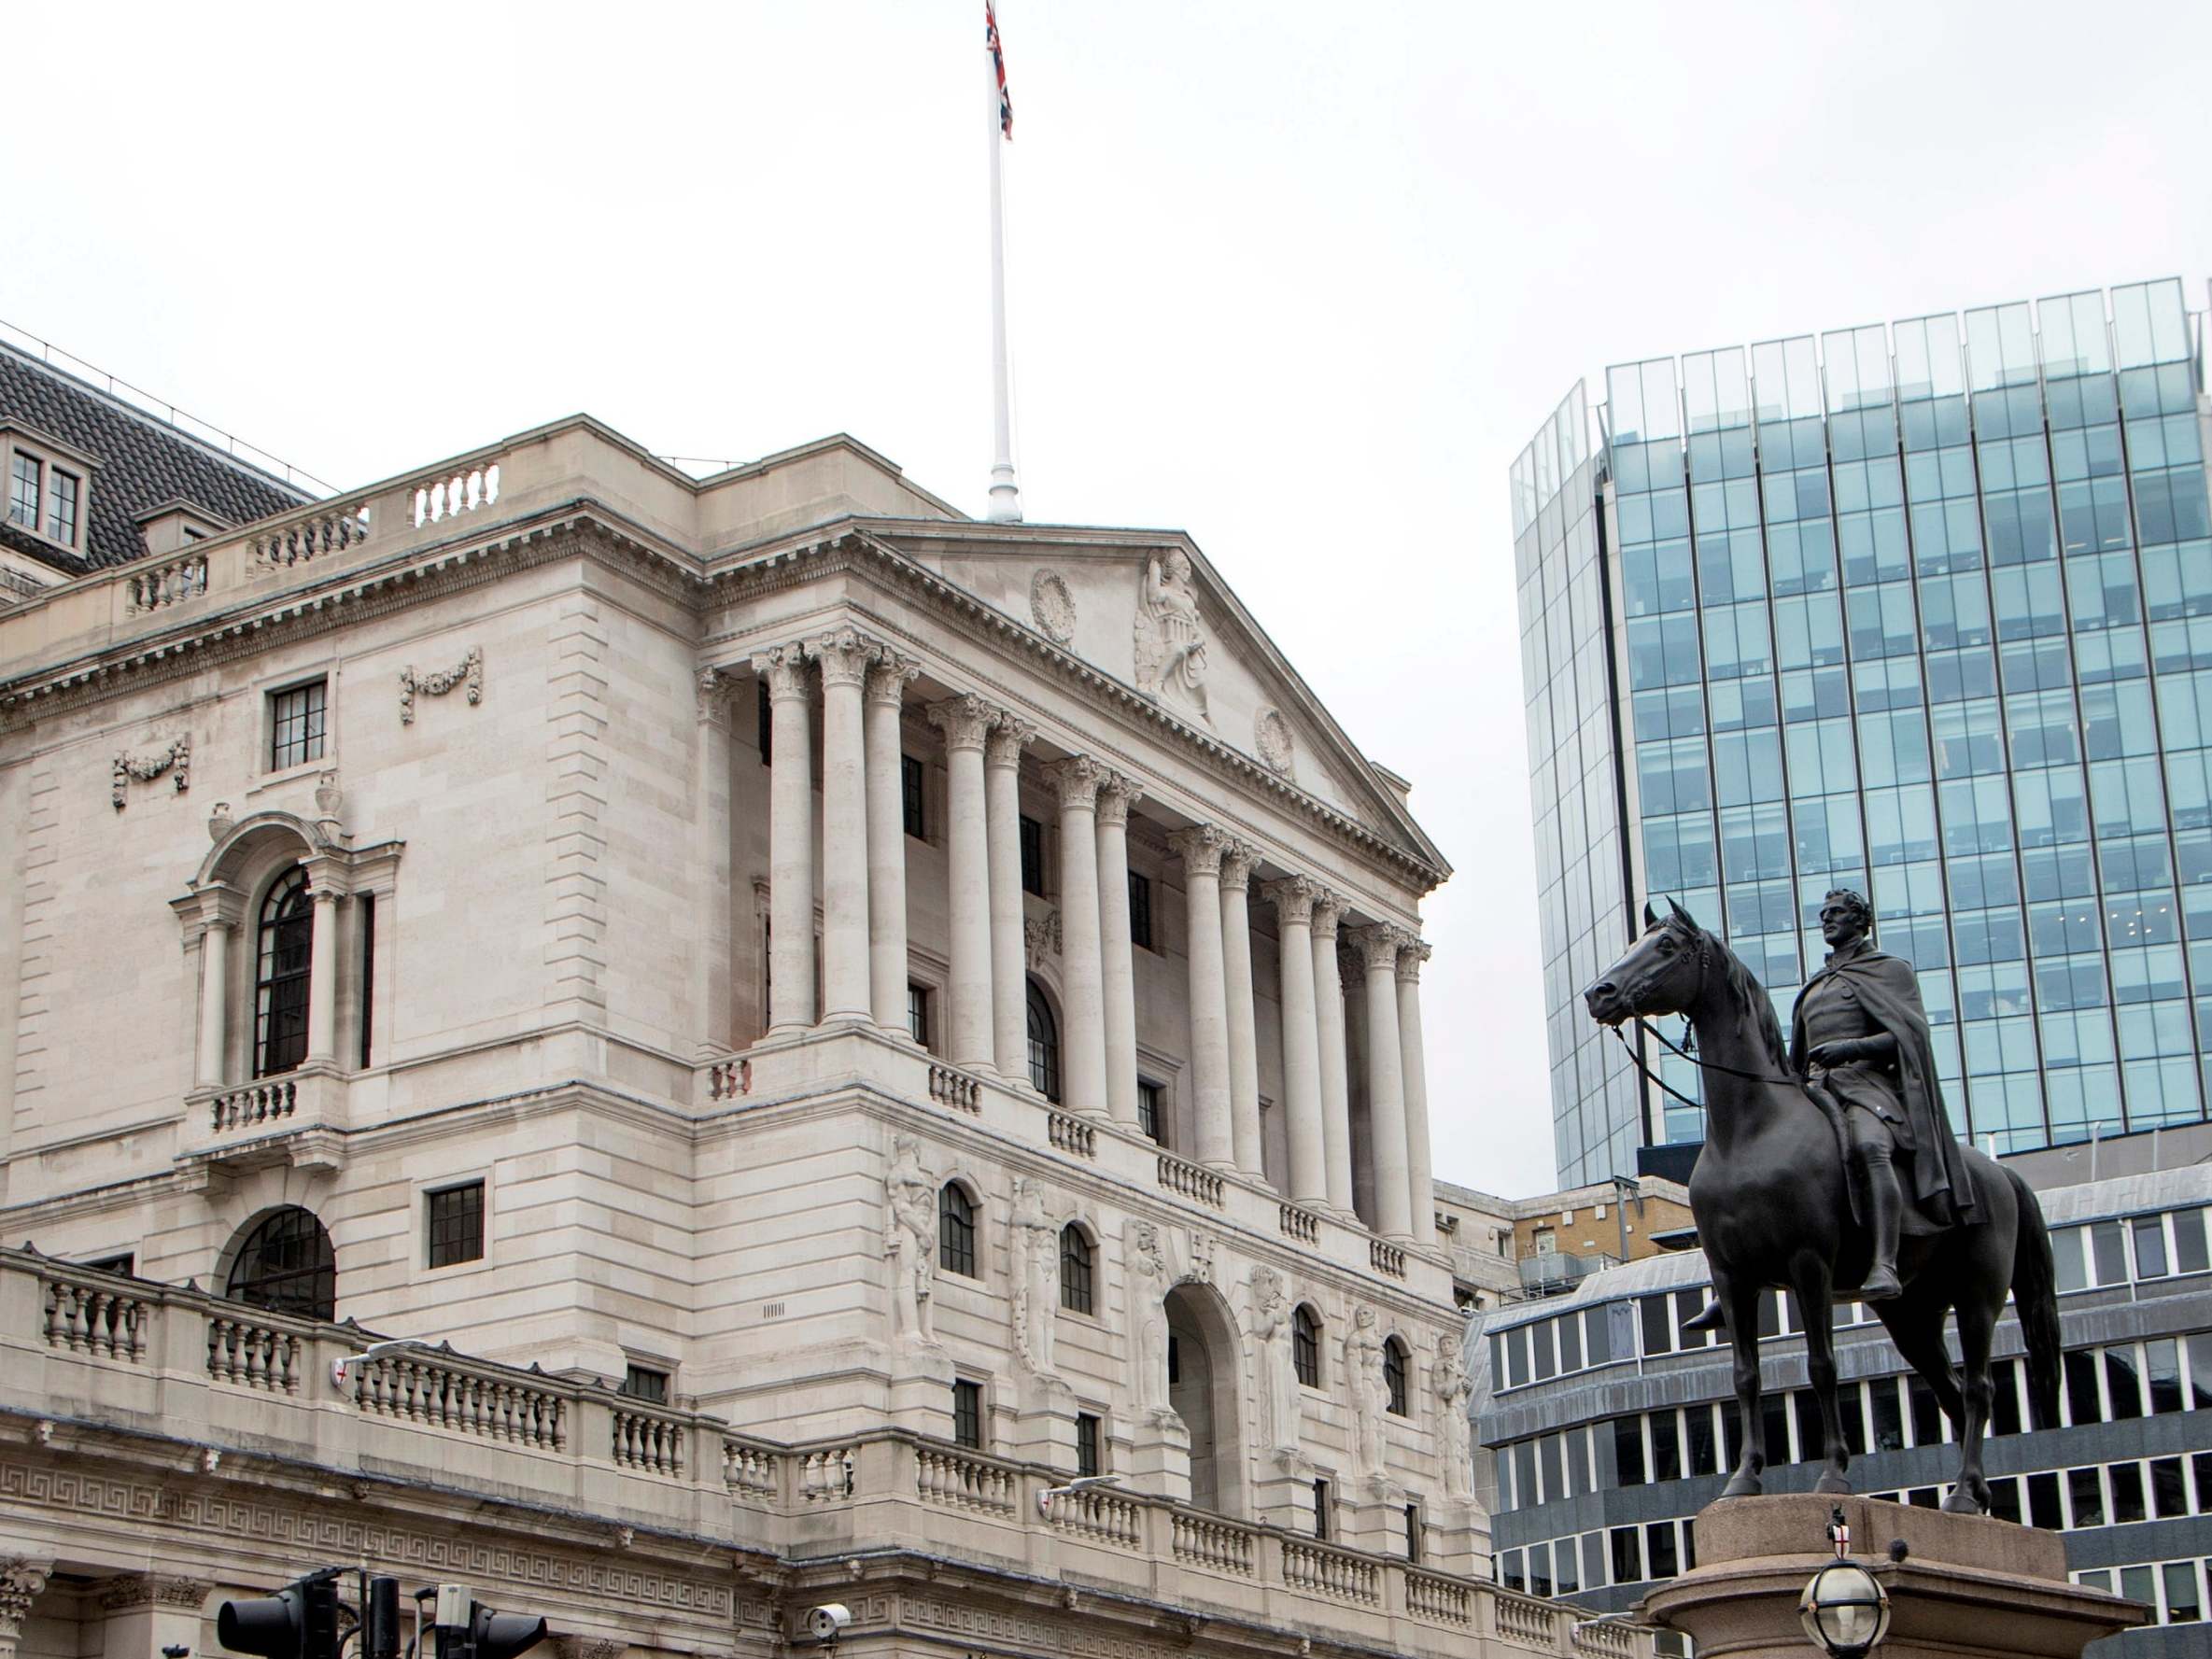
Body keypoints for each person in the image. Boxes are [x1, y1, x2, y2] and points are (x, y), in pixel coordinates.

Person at [1683, 886, 1975, 1330]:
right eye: (1823, 914)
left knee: (1869, 1147)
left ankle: (1885, 1261)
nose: (1828, 920)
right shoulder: (1815, 987)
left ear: (1861, 920)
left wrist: (1851, 1048)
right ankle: (1734, 1282)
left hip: (1869, 1086)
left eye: (1837, 913)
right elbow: (1795, 1055)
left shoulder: (1889, 971)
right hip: (1818, 1088)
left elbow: (1909, 1036)